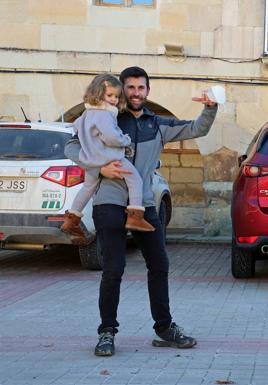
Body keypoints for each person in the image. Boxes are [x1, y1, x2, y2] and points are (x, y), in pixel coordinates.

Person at [65, 66, 218, 357]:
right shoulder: (105, 115)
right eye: (130, 88)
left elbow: (198, 128)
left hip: (145, 203)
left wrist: (211, 108)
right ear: (121, 89)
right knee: (113, 269)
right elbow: (71, 144)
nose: (135, 93)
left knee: (159, 265)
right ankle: (107, 332)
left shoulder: (157, 124)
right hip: (108, 201)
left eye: (141, 88)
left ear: (148, 90)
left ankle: (164, 329)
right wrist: (97, 167)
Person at [61, 74, 154, 245]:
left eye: (116, 96)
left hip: (91, 159)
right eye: (109, 95)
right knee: (135, 180)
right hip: (110, 157)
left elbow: (76, 126)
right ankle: (135, 216)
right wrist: (125, 139)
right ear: (98, 94)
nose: (113, 100)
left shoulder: (86, 113)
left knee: (87, 188)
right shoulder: (105, 114)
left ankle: (71, 219)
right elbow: (112, 137)